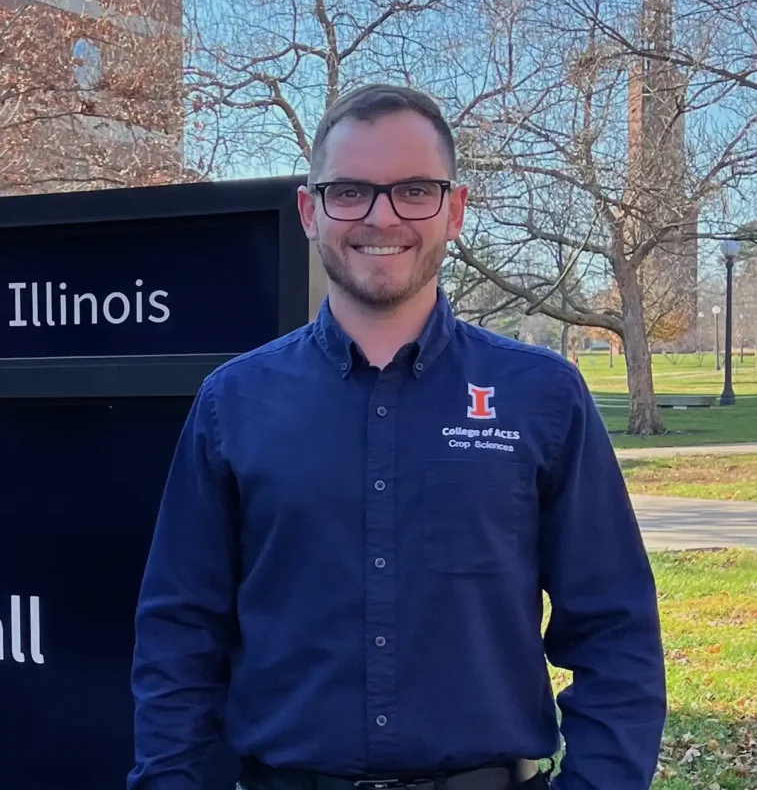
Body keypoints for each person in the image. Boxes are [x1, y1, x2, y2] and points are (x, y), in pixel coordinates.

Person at [128, 84, 666, 790]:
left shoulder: (542, 395)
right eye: (350, 191)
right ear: (310, 211)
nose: (381, 217)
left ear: (455, 210)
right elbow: (180, 632)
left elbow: (614, 629)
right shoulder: (234, 402)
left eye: (414, 190)